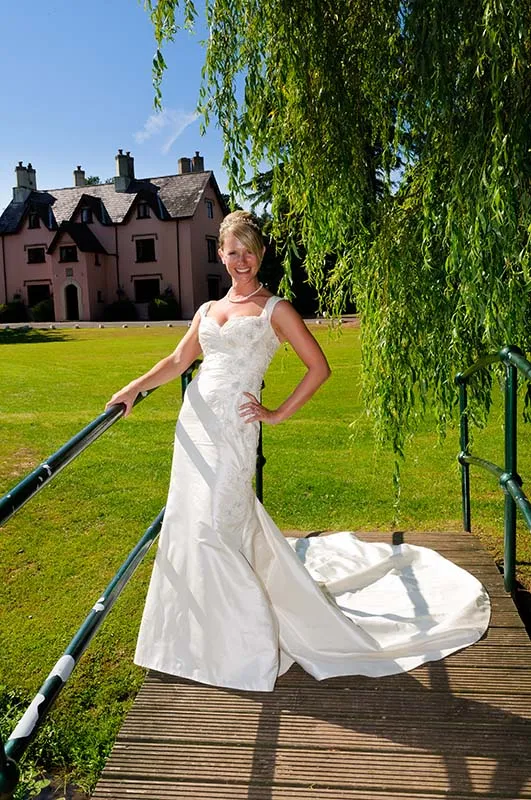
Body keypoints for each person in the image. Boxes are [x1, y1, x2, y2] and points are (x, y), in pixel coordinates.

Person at [106, 210, 490, 692]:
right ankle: (192, 639)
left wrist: (276, 413)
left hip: (235, 431)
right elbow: (179, 360)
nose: (241, 259)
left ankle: (243, 648)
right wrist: (134, 389)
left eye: (249, 250)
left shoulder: (276, 309)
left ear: (261, 254)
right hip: (194, 425)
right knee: (189, 523)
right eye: (232, 251)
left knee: (214, 527)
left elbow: (318, 368)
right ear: (221, 255)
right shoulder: (206, 310)